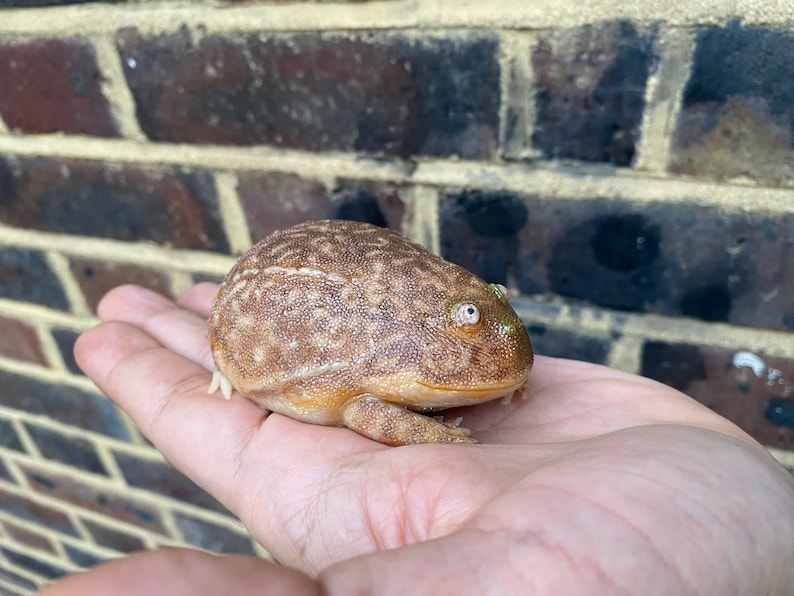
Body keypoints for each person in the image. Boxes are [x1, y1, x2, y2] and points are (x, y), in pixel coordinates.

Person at [41, 284, 794, 595]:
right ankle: (228, 362)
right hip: (265, 330)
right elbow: (366, 411)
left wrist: (505, 376)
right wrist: (444, 438)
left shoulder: (457, 320)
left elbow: (487, 336)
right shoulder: (388, 359)